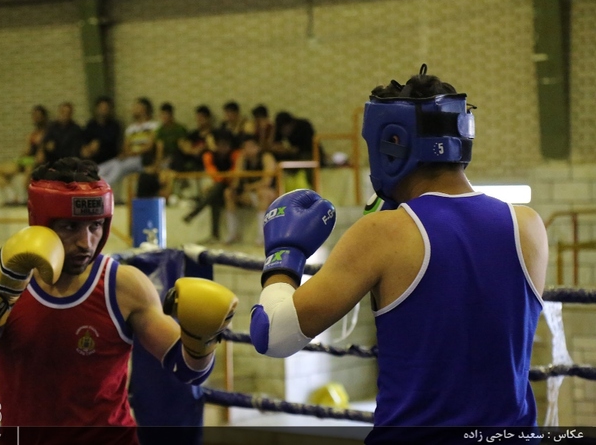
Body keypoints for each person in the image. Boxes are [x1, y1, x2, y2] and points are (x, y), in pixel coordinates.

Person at [249, 66, 548, 443]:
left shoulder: (383, 233)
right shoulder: (528, 224)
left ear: (392, 141)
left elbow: (273, 335)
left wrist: (283, 255)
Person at [0, 157, 238, 445]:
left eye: (95, 225)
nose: (86, 242)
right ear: (39, 222)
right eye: (70, 227)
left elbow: (186, 369)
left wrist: (203, 340)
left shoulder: (124, 286)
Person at [183, 130, 240, 244]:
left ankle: (196, 210)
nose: (223, 148)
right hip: (219, 186)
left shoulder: (235, 155)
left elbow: (235, 173)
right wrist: (223, 178)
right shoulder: (209, 155)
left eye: (225, 145)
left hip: (234, 187)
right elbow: (213, 174)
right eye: (220, 145)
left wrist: (224, 178)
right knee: (215, 196)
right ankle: (214, 235)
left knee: (216, 190)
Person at [223, 134, 277, 245]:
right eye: (245, 147)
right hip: (249, 193)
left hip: (268, 193)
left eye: (250, 146)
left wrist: (250, 187)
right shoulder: (243, 159)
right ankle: (232, 233)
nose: (247, 150)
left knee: (263, 194)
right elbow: (237, 179)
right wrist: (235, 187)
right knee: (228, 193)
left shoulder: (266, 157)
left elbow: (267, 182)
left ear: (257, 147)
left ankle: (262, 236)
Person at [0, 105, 48, 206]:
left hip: (35, 162)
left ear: (44, 117)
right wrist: (22, 155)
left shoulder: (48, 133)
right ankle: (11, 195)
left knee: (29, 171)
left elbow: (42, 154)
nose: (36, 118)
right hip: (26, 160)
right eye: (34, 116)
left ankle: (24, 198)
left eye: (38, 116)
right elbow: (27, 150)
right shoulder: (32, 134)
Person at [81, 96, 123, 166]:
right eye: (101, 107)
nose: (103, 110)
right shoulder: (91, 124)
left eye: (106, 108)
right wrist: (85, 147)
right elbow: (84, 138)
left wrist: (99, 143)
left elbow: (111, 141)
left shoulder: (115, 125)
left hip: (110, 159)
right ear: (96, 109)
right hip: (92, 159)